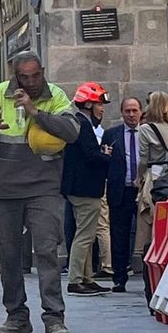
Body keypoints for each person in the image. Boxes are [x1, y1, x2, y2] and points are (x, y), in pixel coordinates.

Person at [0, 51, 80, 333]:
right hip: (6, 187)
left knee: (46, 252)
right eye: (24, 77)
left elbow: (72, 132)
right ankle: (17, 317)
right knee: (7, 255)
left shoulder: (56, 95)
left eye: (36, 75)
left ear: (43, 71)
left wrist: (35, 112)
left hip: (44, 186)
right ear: (15, 75)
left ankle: (54, 319)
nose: (31, 82)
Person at [61, 83, 112, 297]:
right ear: (89, 104)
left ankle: (86, 278)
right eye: (100, 104)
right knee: (84, 235)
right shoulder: (83, 124)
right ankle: (75, 280)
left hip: (79, 188)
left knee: (87, 234)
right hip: (85, 189)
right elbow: (91, 157)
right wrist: (106, 155)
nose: (102, 109)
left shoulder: (80, 123)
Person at [136, 91, 168, 305]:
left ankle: (152, 282)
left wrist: (138, 179)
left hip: (155, 180)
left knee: (151, 230)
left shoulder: (146, 129)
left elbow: (143, 159)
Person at [102, 97, 143, 293]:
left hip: (143, 192)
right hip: (121, 190)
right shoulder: (112, 134)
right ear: (121, 112)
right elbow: (104, 162)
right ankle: (119, 278)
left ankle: (149, 276)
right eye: (127, 111)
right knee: (119, 234)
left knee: (146, 234)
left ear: (141, 112)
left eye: (134, 110)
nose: (131, 114)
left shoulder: (148, 133)